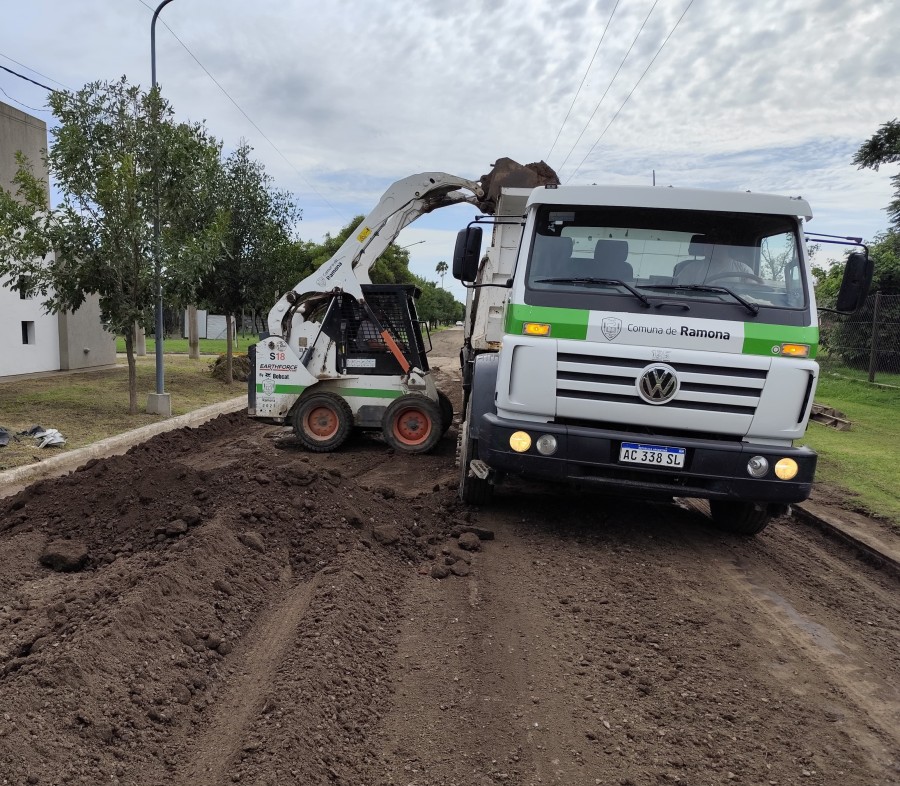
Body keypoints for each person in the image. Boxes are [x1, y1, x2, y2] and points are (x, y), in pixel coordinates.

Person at [674, 245, 755, 285]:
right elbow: (679, 292)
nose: (708, 247)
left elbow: (751, 295)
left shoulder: (743, 270)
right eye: (707, 244)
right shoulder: (691, 268)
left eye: (716, 244)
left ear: (727, 247)